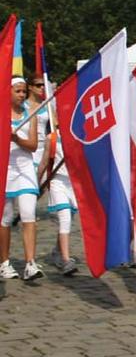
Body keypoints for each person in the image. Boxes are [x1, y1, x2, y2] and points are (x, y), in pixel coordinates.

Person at [1, 78, 42, 281]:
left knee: (29, 214)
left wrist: (17, 139)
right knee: (6, 219)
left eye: (24, 91)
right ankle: (5, 262)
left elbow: (34, 145)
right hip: (5, 170)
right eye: (17, 91)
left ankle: (30, 263)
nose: (21, 95)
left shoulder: (31, 114)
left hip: (25, 170)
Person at [41, 132, 78, 276]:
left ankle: (57, 251)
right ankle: (66, 260)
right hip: (58, 181)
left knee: (69, 218)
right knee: (65, 218)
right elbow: (44, 162)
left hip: (74, 183)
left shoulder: (79, 136)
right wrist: (38, 184)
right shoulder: (52, 138)